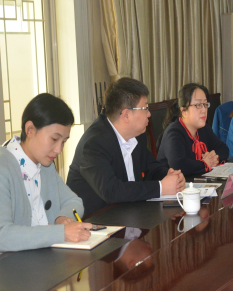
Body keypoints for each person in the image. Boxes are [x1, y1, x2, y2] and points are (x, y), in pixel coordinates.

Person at [0, 94, 92, 264]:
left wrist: (61, 218)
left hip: (40, 259)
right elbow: (0, 236)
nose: (58, 149)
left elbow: (73, 201)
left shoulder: (45, 165)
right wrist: (61, 232)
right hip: (1, 267)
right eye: (54, 139)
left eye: (64, 141)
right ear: (30, 130)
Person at [67, 77, 185, 216]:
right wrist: (161, 187)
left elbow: (151, 169)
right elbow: (111, 191)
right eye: (145, 108)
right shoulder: (94, 143)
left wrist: (171, 177)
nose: (149, 114)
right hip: (97, 221)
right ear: (126, 115)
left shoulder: (137, 135)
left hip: (129, 214)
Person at [157, 83, 229, 176]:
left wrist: (214, 158)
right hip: (175, 184)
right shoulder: (174, 133)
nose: (204, 110)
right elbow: (179, 166)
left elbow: (223, 148)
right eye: (198, 105)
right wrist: (204, 163)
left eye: (205, 104)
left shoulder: (203, 129)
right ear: (184, 110)